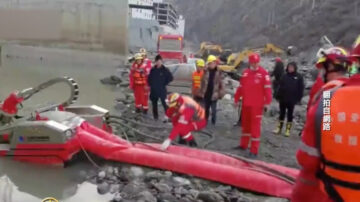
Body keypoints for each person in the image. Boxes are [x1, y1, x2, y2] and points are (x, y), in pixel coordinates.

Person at [291, 47, 353, 202]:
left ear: (330, 67)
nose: (321, 72)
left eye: (322, 67)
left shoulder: (328, 97)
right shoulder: (352, 94)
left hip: (317, 181)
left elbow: (320, 138)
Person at [234, 53, 272, 158]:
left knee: (255, 128)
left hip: (257, 106)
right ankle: (243, 145)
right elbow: (240, 88)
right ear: (250, 62)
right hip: (246, 104)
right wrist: (236, 99)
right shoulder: (246, 73)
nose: (255, 64)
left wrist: (267, 103)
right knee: (245, 126)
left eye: (256, 62)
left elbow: (268, 90)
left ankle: (254, 150)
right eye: (253, 62)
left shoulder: (264, 74)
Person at [273, 62, 304, 136]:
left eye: (292, 67)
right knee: (281, 114)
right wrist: (277, 96)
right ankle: (279, 128)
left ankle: (287, 130)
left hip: (292, 99)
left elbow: (301, 88)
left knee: (290, 115)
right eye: (289, 67)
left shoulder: (299, 77)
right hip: (283, 98)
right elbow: (279, 87)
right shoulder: (284, 76)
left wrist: (299, 99)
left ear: (295, 68)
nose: (290, 69)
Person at [199, 55, 225, 125]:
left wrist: (221, 93)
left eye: (212, 63)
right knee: (206, 109)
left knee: (213, 110)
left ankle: (213, 122)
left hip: (214, 94)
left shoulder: (218, 72)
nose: (211, 65)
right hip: (206, 93)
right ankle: (205, 121)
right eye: (210, 63)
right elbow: (202, 82)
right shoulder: (205, 71)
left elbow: (221, 83)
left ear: (215, 63)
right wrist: (201, 92)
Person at [148, 55, 173, 120]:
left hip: (162, 90)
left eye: (160, 61)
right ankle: (155, 117)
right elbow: (149, 79)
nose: (158, 63)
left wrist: (165, 83)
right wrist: (150, 85)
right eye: (157, 61)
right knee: (154, 104)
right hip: (154, 90)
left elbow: (170, 78)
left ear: (161, 62)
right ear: (155, 62)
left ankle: (169, 116)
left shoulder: (165, 70)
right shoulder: (153, 70)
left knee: (165, 103)